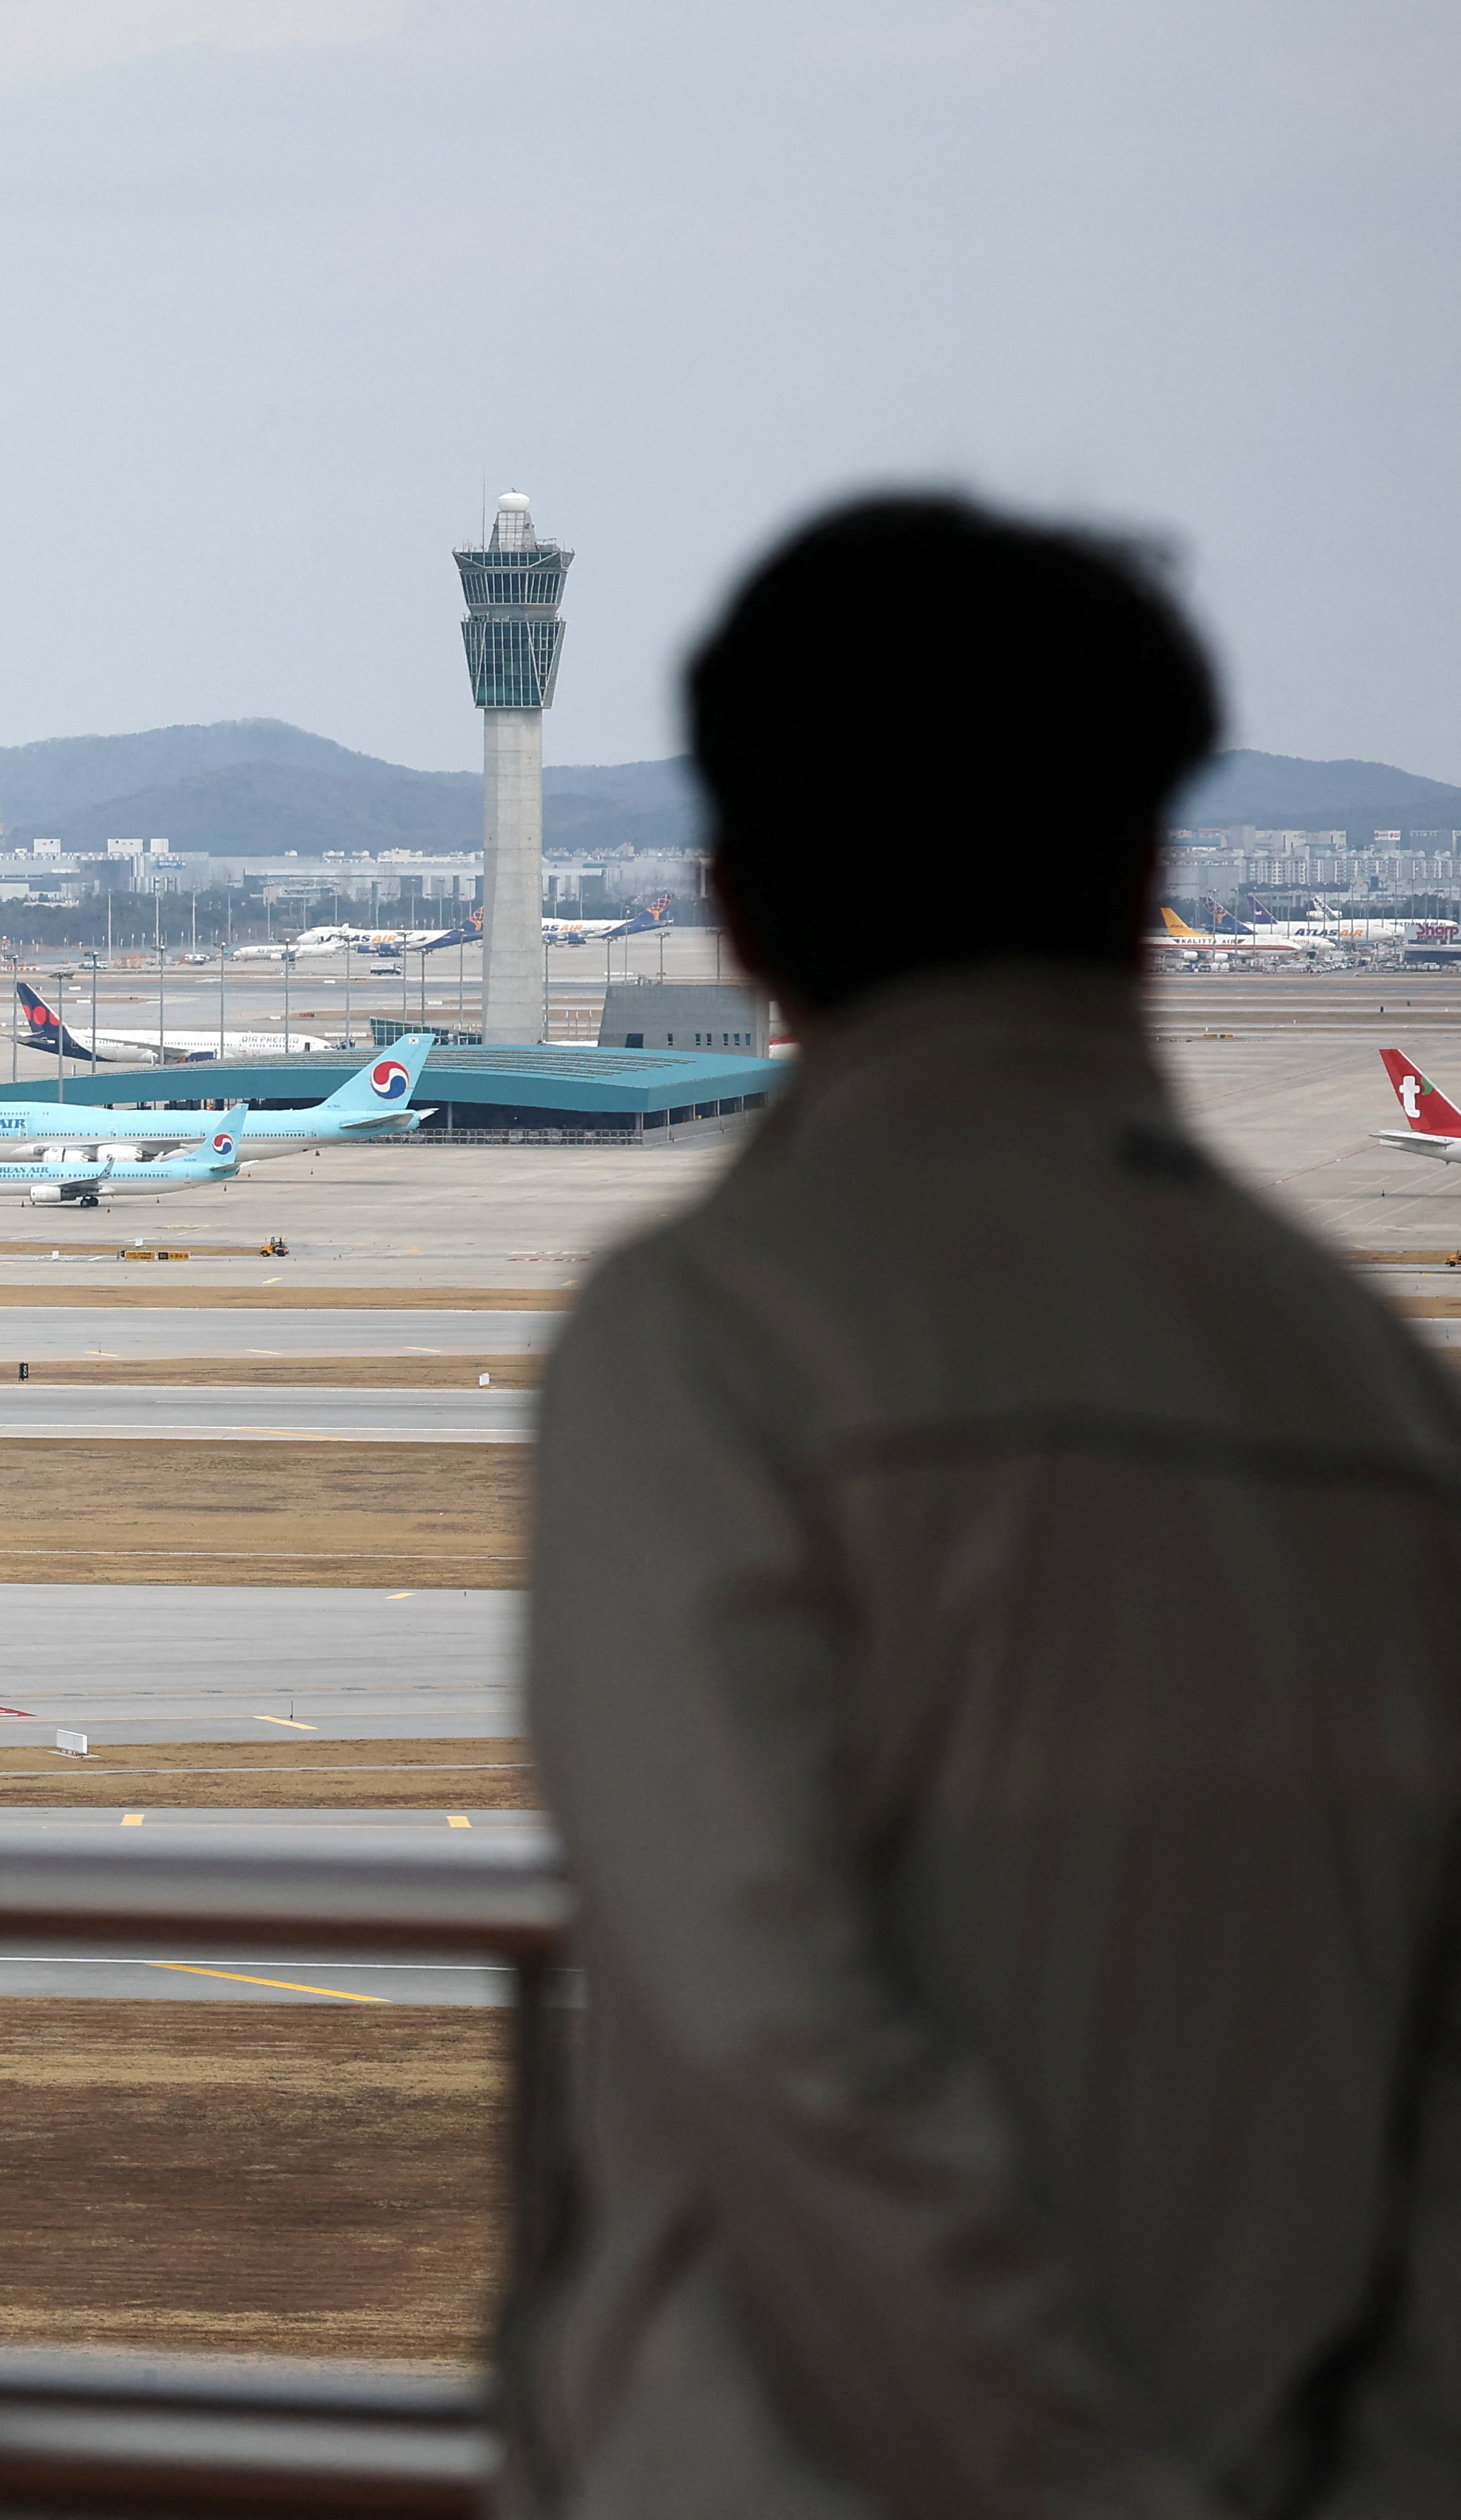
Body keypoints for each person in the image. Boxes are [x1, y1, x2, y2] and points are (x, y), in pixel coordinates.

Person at [511, 496, 1461, 2517]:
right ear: (1142, 874)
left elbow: (765, 2027)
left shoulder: (702, 1339)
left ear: (738, 903)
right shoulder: (1378, 1394)